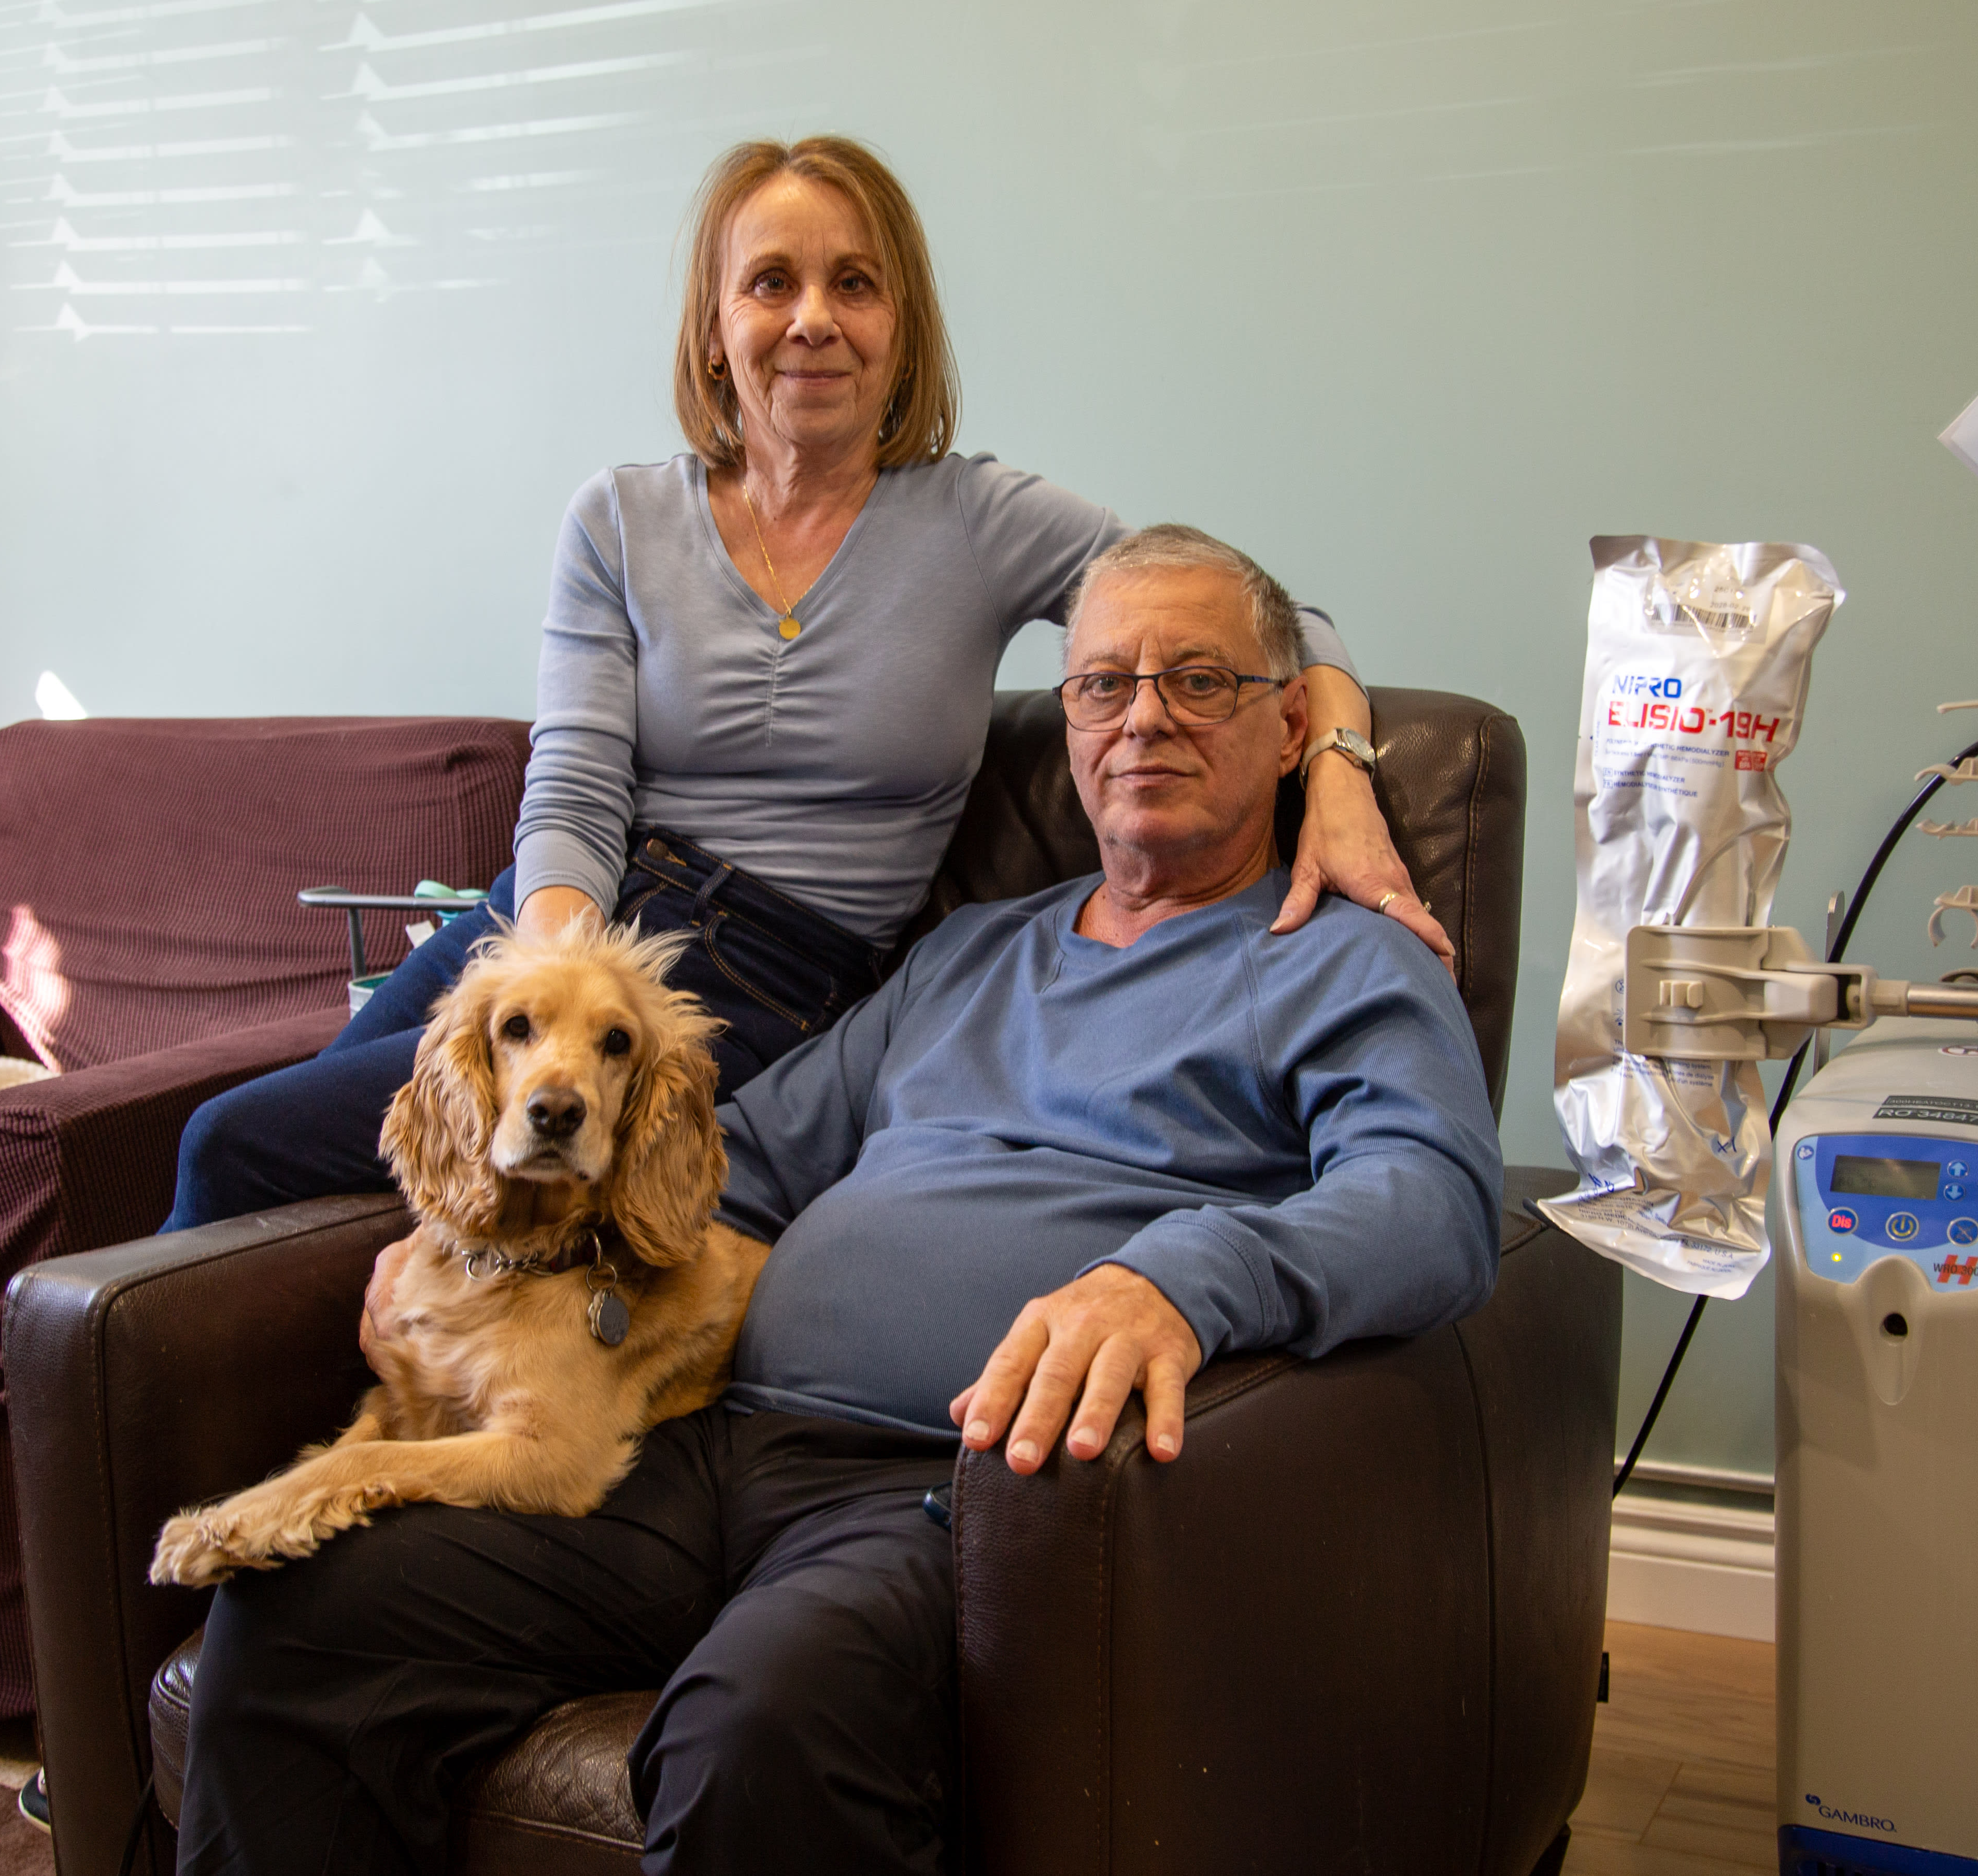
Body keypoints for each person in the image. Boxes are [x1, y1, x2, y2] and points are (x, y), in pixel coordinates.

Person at [175, 526, 1504, 1875]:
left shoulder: (1342, 961)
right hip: (704, 1438)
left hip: (956, 1489)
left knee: (754, 1725)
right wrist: (468, 1239)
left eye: (1198, 681)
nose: (1142, 715)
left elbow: (1435, 1199)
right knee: (308, 1610)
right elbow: (740, 1155)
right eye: (1105, 683)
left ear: (1290, 728)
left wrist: (1177, 1277)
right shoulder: (971, 953)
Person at [162, 134, 1448, 1232]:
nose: (812, 318)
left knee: (255, 1149)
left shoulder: (981, 519)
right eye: (769, 282)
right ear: (716, 331)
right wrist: (559, 994)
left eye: (854, 284)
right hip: (565, 925)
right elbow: (573, 785)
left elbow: (1277, 620)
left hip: (775, 985)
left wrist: (1335, 776)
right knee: (292, 1160)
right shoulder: (617, 519)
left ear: (902, 329)